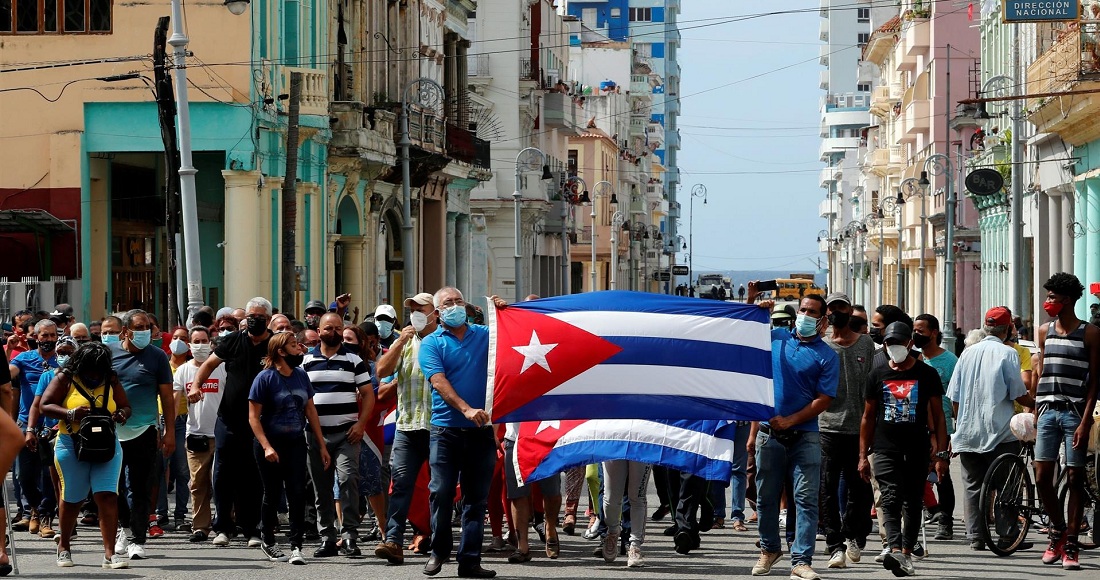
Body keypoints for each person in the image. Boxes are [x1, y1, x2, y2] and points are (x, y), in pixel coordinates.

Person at [746, 282, 838, 580]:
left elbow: (824, 399)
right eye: (803, 310)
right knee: (766, 497)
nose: (805, 315)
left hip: (806, 436)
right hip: (768, 434)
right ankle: (769, 549)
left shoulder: (827, 355)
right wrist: (751, 302)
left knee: (806, 499)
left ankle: (801, 560)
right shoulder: (776, 338)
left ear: (823, 321)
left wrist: (791, 420)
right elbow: (741, 334)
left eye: (812, 312)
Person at [418, 287, 498, 578]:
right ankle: (439, 552)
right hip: (446, 430)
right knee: (440, 492)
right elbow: (438, 381)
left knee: (476, 498)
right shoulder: (431, 343)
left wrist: (504, 310)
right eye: (448, 303)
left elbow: (514, 339)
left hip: (482, 430)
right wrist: (465, 408)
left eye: (458, 301)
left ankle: (470, 560)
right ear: (438, 312)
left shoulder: (486, 335)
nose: (454, 306)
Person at [858, 322, 949, 578]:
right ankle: (894, 547)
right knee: (890, 496)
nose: (894, 347)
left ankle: (906, 553)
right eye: (889, 343)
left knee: (912, 500)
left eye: (899, 342)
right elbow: (867, 417)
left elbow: (939, 416)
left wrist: (941, 453)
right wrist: (862, 456)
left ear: (910, 343)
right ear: (884, 345)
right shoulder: (876, 375)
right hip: (885, 447)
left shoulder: (926, 374)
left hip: (917, 447)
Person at [39, 341, 134, 569]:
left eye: (100, 369)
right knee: (72, 498)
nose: (95, 374)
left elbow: (126, 406)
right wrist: (70, 412)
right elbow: (45, 405)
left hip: (107, 446)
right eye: (92, 368)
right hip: (71, 445)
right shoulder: (65, 377)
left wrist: (121, 413)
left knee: (107, 496)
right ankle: (64, 546)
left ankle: (110, 554)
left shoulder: (110, 378)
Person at [188, 297, 274, 548]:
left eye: (259, 317)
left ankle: (252, 528)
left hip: (260, 422)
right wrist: (196, 386)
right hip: (228, 420)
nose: (253, 321)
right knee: (222, 474)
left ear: (268, 320)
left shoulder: (274, 344)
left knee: (254, 475)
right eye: (250, 316)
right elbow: (209, 364)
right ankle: (222, 527)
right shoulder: (232, 340)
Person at [947, 306, 1035, 551]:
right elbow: (1018, 393)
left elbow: (954, 396)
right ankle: (1007, 535)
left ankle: (975, 536)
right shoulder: (1008, 354)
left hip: (968, 432)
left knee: (973, 485)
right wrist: (1036, 404)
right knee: (1006, 485)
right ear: (1007, 329)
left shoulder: (967, 353)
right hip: (1000, 432)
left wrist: (961, 421)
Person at [1034, 273, 1099, 570]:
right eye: (1047, 297)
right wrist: (1035, 407)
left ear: (1068, 300)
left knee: (1075, 478)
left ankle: (1071, 543)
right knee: (1041, 476)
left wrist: (1085, 423)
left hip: (1075, 414)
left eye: (1052, 298)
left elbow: (1095, 382)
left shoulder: (1090, 333)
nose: (1047, 302)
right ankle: (1057, 530)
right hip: (1047, 409)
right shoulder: (1043, 331)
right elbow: (1043, 370)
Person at [248, 331, 331, 565]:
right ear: (281, 352)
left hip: (295, 442)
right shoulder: (264, 378)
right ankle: (268, 540)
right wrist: (266, 447)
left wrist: (321, 445)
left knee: (296, 493)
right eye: (295, 346)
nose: (300, 349)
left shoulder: (301, 376)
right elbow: (253, 417)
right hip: (270, 444)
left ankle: (296, 546)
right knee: (272, 494)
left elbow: (311, 411)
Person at [374, 292, 440, 565]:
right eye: (411, 309)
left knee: (440, 487)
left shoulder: (443, 341)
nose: (415, 313)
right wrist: (400, 341)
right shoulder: (405, 343)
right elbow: (380, 372)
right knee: (400, 484)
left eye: (420, 308)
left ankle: (438, 538)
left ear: (434, 313)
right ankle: (393, 540)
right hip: (408, 426)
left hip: (440, 427)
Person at [303, 312, 375, 558]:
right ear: (319, 330)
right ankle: (327, 537)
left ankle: (350, 537)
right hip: (315, 435)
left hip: (347, 434)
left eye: (337, 328)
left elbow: (368, 394)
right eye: (327, 328)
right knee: (321, 488)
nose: (332, 332)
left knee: (347, 481)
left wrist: (361, 424)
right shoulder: (305, 362)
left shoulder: (354, 360)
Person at [107, 310, 175, 561]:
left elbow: (167, 397)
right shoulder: (110, 354)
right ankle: (122, 530)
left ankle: (138, 538)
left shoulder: (157, 357)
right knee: (113, 488)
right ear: (125, 332)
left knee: (140, 487)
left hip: (145, 431)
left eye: (147, 326)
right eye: (139, 327)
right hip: (112, 433)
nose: (145, 331)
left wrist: (169, 432)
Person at [819, 293, 875, 569]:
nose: (836, 313)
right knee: (827, 488)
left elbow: (873, 387)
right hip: (827, 427)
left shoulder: (866, 343)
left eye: (841, 307)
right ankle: (834, 544)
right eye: (832, 308)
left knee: (860, 488)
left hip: (859, 428)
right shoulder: (822, 345)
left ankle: (854, 534)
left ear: (850, 310)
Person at [172, 326, 225, 543]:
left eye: (204, 341)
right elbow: (175, 400)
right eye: (196, 341)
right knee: (197, 483)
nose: (200, 345)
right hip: (195, 434)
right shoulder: (183, 370)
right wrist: (168, 429)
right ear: (189, 344)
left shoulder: (222, 368)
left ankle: (224, 523)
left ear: (210, 343)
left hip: (221, 433)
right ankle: (200, 526)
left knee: (221, 482)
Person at [9, 318, 59, 538]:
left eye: (52, 335)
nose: (48, 340)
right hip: (25, 425)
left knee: (50, 477)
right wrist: (8, 349)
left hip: (54, 426)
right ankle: (35, 509)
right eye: (44, 336)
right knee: (23, 475)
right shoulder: (24, 358)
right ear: (35, 337)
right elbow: (6, 375)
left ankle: (46, 516)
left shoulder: (64, 361)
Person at [913, 313, 958, 540]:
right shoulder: (914, 359)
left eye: (921, 330)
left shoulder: (950, 361)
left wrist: (957, 430)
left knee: (942, 474)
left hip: (943, 427)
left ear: (934, 333)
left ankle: (946, 522)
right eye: (915, 330)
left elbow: (958, 397)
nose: (916, 334)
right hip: (918, 426)